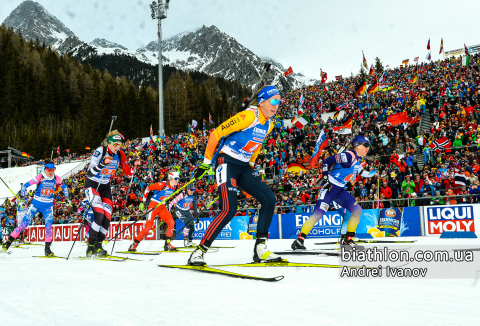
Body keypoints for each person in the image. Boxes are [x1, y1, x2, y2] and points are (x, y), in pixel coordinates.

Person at [188, 85, 281, 266]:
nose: (277, 105)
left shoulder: (269, 124)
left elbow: (257, 145)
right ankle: (198, 252)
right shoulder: (248, 116)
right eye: (274, 101)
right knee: (229, 210)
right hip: (227, 162)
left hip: (244, 165)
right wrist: (206, 163)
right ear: (262, 102)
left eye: (279, 101)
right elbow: (216, 134)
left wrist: (252, 166)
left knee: (269, 199)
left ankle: (261, 249)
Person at [291, 135, 377, 250]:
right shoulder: (348, 155)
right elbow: (326, 161)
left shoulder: (357, 160)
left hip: (340, 190)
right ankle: (299, 240)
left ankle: (348, 240)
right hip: (330, 188)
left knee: (357, 210)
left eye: (369, 146)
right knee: (318, 214)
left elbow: (362, 173)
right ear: (357, 145)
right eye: (365, 145)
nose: (368, 148)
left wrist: (373, 173)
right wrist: (326, 178)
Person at [2, 161, 69, 256]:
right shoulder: (40, 177)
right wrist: (23, 193)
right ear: (45, 169)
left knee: (48, 226)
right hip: (36, 204)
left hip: (48, 206)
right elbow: (25, 185)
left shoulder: (56, 178)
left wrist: (66, 197)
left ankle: (47, 249)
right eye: (49, 170)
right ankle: (7, 244)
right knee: (24, 224)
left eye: (53, 170)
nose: (51, 172)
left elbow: (65, 187)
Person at [84, 130, 132, 257]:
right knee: (99, 215)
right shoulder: (100, 151)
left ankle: (99, 246)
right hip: (93, 184)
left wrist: (134, 169)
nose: (118, 147)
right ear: (109, 143)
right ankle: (91, 247)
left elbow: (128, 172)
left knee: (107, 217)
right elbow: (89, 173)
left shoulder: (120, 154)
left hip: (105, 186)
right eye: (115, 144)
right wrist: (102, 164)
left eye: (119, 144)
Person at [128, 171, 179, 252]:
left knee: (171, 222)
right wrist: (144, 202)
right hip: (153, 206)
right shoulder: (162, 184)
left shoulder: (174, 187)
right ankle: (135, 244)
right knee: (148, 228)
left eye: (178, 179)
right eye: (176, 179)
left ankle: (167, 244)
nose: (177, 180)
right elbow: (148, 188)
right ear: (170, 178)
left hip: (162, 207)